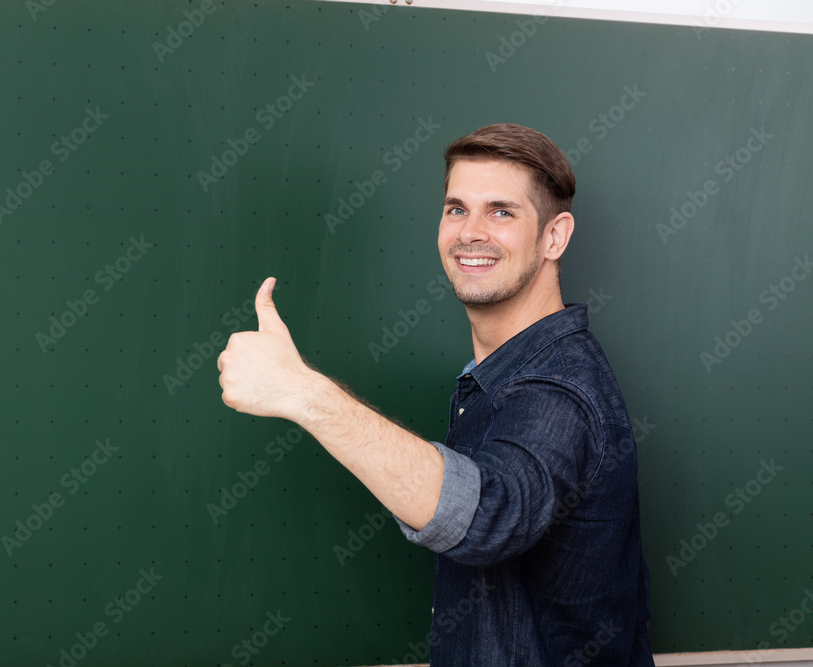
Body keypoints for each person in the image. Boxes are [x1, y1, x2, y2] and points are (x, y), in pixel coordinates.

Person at [216, 123, 654, 665]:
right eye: (456, 209)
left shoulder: (557, 388)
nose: (471, 232)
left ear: (554, 237)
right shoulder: (500, 375)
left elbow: (490, 512)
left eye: (501, 211)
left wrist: (303, 392)